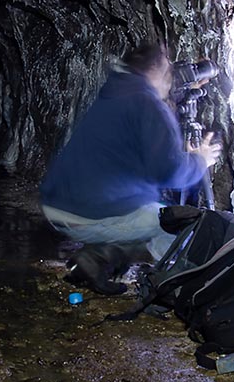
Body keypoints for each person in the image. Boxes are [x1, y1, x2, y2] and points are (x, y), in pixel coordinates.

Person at [39, 40, 222, 294]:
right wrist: (199, 160)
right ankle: (172, 289)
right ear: (156, 70)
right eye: (168, 68)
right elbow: (168, 171)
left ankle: (95, 258)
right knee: (182, 227)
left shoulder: (118, 92)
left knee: (146, 210)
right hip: (91, 213)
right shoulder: (148, 104)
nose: (173, 75)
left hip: (59, 207)